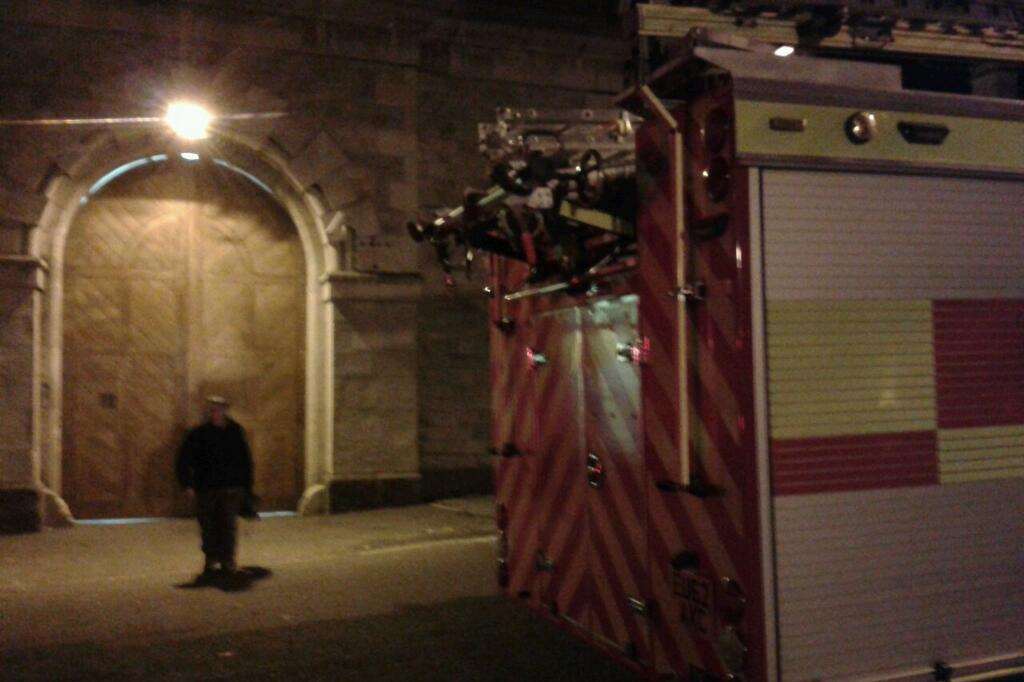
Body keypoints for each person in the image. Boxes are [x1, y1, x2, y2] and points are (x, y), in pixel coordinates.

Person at [176, 396, 254, 577]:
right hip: (206, 487)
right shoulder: (198, 433)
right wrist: (187, 484)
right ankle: (210, 559)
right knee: (208, 525)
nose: (216, 412)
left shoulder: (235, 431)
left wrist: (247, 485)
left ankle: (228, 561)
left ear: (225, 410)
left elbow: (245, 460)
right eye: (212, 409)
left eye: (219, 408)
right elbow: (184, 459)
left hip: (231, 487)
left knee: (228, 525)